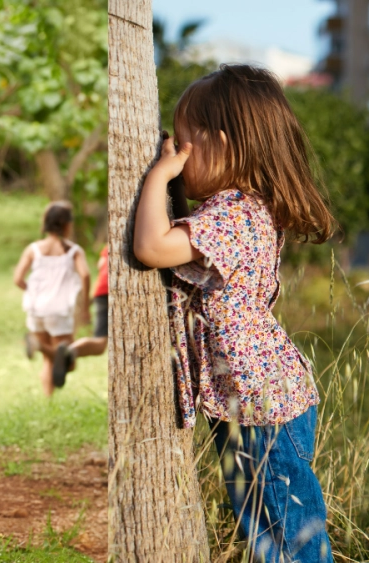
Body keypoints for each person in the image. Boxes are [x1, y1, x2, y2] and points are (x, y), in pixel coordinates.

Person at [133, 65, 336, 562]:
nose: (175, 154)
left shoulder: (235, 213)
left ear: (221, 144)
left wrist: (158, 175)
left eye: (182, 142)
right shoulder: (241, 208)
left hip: (260, 406)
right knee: (270, 533)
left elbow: (152, 248)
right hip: (254, 402)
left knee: (288, 538)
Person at [13, 201, 91, 396]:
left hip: (35, 308)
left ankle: (49, 400)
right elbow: (86, 275)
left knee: (49, 359)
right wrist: (85, 306)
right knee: (68, 361)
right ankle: (39, 346)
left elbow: (18, 279)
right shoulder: (73, 251)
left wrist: (32, 291)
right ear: (67, 225)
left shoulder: (33, 249)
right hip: (59, 310)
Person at [52, 245, 108, 378]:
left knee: (100, 341)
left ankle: (70, 350)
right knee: (101, 343)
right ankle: (68, 351)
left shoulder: (109, 247)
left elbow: (101, 265)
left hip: (101, 291)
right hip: (115, 291)